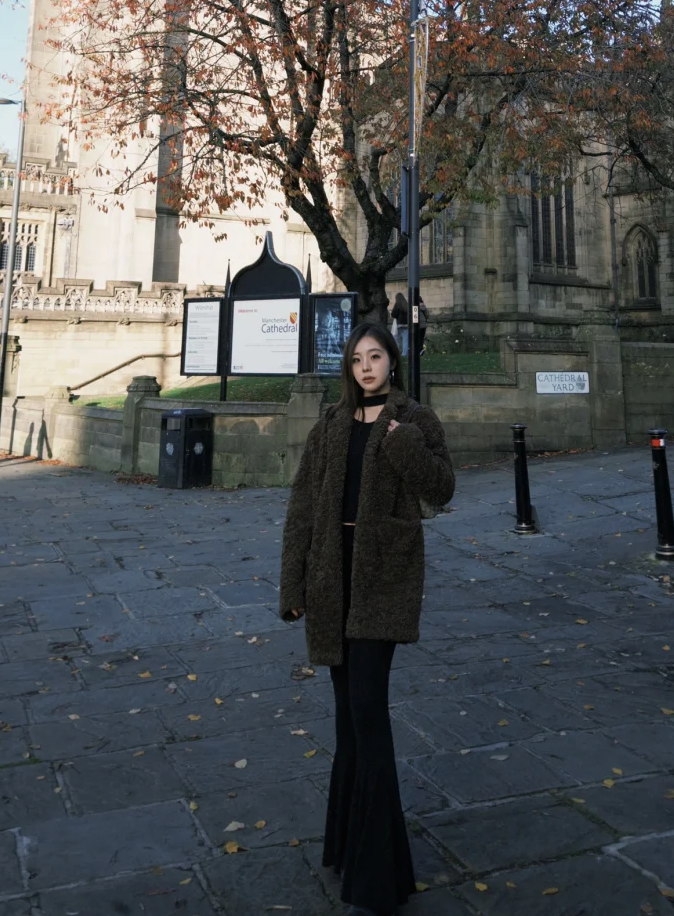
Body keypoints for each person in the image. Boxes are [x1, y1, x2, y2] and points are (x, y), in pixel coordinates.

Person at [279, 323, 455, 916]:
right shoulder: (330, 424)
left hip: (383, 577)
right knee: (348, 723)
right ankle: (349, 849)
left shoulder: (414, 420)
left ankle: (381, 875)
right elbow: (303, 506)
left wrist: (403, 443)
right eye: (357, 359)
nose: (366, 367)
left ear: (392, 363)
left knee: (368, 713)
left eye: (375, 356)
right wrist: (294, 585)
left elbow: (443, 490)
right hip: (332, 577)